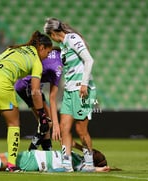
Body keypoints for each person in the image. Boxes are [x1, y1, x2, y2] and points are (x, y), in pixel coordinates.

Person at [0, 31, 53, 172]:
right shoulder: (36, 62)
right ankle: (12, 165)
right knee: (13, 123)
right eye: (48, 52)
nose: (47, 56)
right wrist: (42, 115)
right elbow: (35, 91)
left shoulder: (15, 48)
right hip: (1, 82)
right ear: (42, 47)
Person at [44, 18, 98, 172]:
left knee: (81, 130)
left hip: (81, 90)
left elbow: (89, 60)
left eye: (50, 36)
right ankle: (66, 164)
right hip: (69, 91)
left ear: (53, 33)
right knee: (64, 128)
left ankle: (89, 164)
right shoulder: (63, 46)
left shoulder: (73, 39)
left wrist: (84, 84)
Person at [14, 47, 63, 151]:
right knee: (46, 123)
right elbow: (52, 97)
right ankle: (31, 152)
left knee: (46, 122)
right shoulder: (58, 66)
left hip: (28, 85)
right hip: (28, 86)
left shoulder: (52, 52)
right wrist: (56, 125)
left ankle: (48, 152)